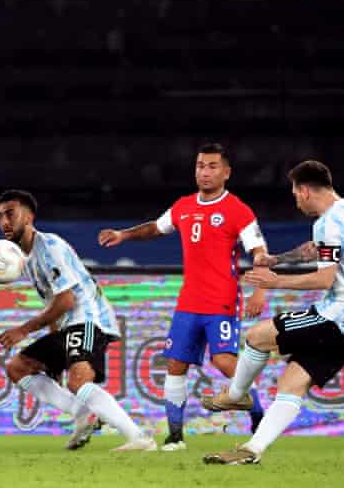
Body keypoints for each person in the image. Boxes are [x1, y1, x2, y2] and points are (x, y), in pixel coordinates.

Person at [202, 160, 344, 465]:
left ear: (305, 190)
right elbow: (317, 248)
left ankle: (236, 394)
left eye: (295, 193)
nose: (295, 199)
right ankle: (252, 450)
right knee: (292, 384)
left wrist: (274, 281)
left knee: (257, 336)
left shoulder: (328, 222)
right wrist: (278, 259)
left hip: (338, 317)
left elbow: (325, 279)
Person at [97, 143, 268, 450]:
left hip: (222, 300)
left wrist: (261, 290)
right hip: (189, 301)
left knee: (224, 360)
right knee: (175, 365)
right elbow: (155, 228)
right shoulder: (184, 206)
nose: (205, 172)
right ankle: (175, 436)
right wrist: (124, 235)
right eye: (201, 165)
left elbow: (259, 252)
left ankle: (259, 417)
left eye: (213, 166)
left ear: (227, 172)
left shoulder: (238, 210)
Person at [0, 189, 157, 452]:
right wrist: (54, 350)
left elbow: (67, 301)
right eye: (0, 216)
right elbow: (54, 303)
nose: (4, 221)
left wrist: (23, 330)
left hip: (89, 318)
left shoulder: (49, 246)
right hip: (68, 325)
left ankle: (139, 438)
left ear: (28, 217)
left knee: (79, 381)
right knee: (18, 367)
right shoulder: (28, 261)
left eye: (11, 213)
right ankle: (83, 414)